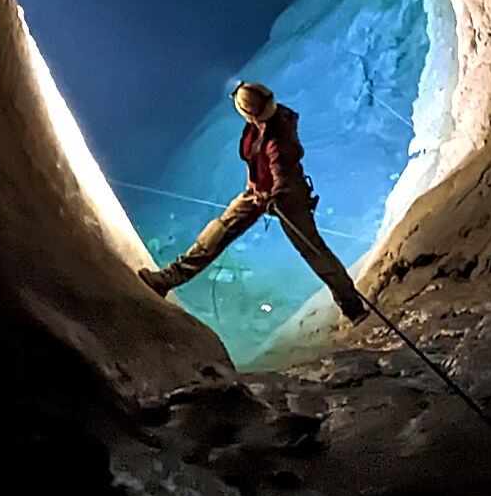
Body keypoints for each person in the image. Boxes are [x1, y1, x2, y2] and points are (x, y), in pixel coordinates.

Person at [139, 82, 369, 324]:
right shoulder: (261, 126)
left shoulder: (278, 137)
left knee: (313, 251)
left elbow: (281, 167)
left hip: (288, 198)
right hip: (260, 194)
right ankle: (166, 280)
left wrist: (278, 193)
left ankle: (353, 308)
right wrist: (262, 190)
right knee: (216, 235)